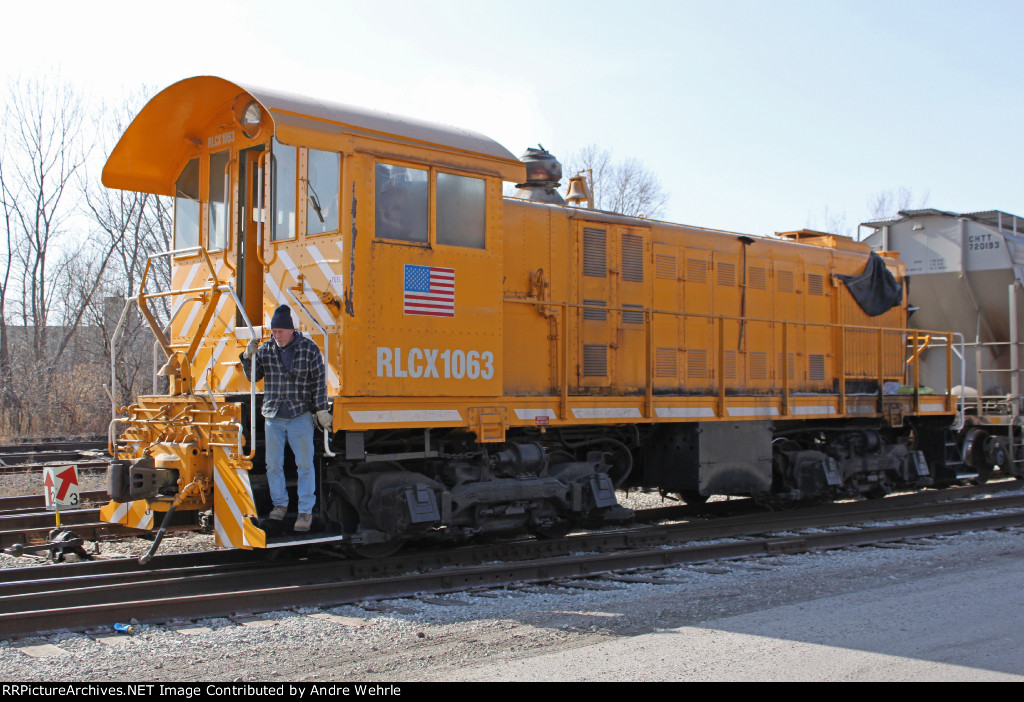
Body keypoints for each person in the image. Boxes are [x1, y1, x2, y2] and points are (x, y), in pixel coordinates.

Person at [241, 305, 332, 532]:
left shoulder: (309, 349)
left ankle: (305, 511)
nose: (276, 335)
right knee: (273, 465)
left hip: (299, 415)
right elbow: (255, 376)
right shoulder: (267, 349)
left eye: (280, 331)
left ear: (291, 330)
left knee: (304, 465)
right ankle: (279, 506)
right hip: (273, 416)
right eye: (274, 332)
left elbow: (318, 382)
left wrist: (321, 410)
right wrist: (247, 357)